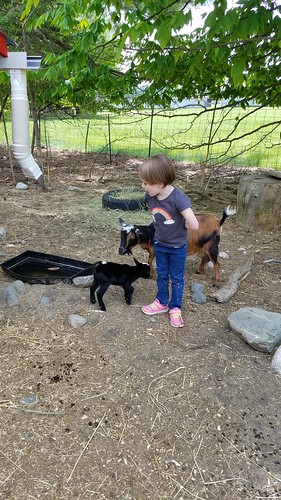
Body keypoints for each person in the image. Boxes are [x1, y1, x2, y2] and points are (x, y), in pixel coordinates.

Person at [139, 154, 199, 328]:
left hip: (177, 247)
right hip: (160, 243)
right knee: (162, 274)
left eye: (145, 183)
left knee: (177, 278)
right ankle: (161, 302)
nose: (143, 186)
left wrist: (184, 224)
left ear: (159, 182)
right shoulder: (150, 196)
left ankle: (175, 308)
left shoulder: (178, 199)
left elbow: (194, 224)